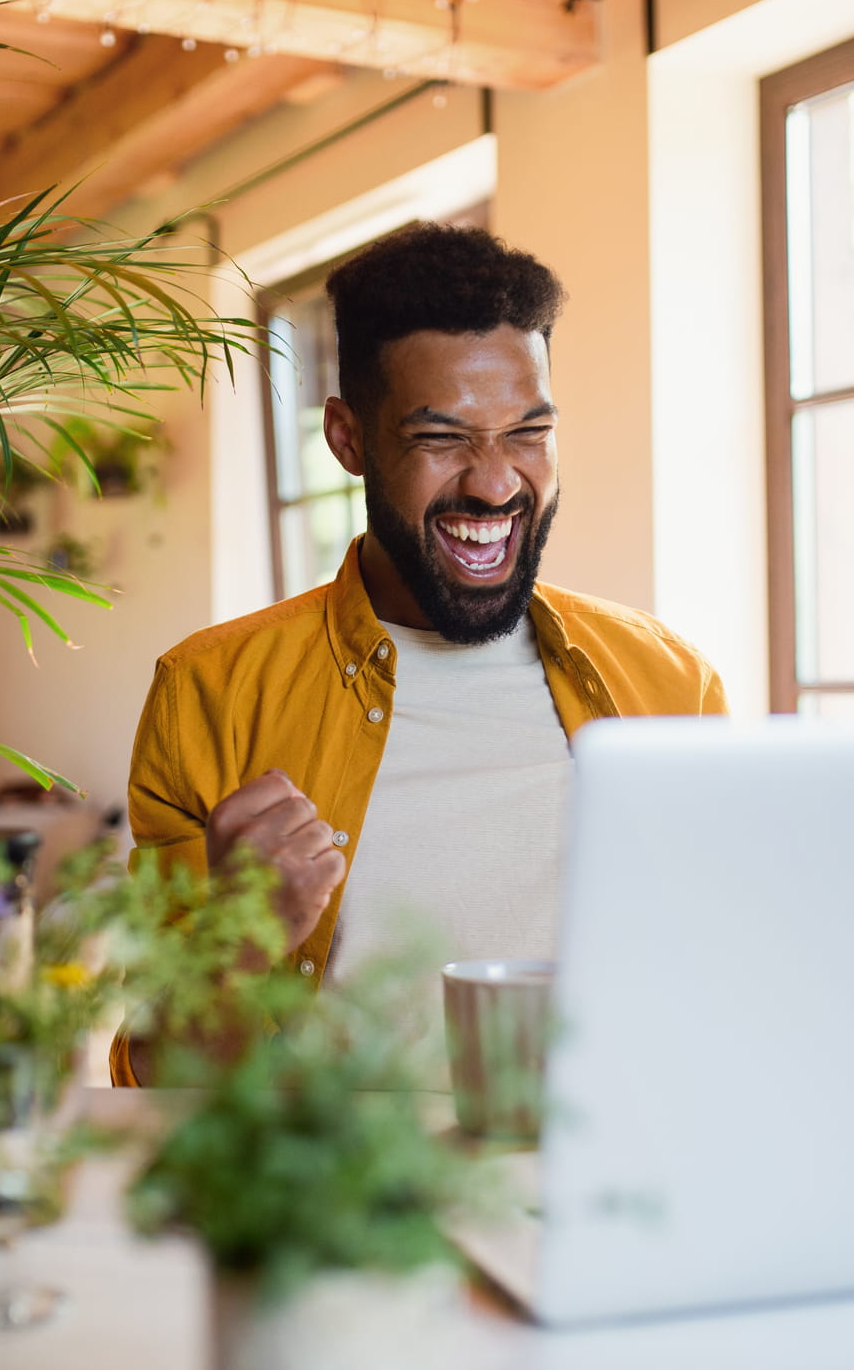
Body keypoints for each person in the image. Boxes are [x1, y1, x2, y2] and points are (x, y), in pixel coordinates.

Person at [113, 222, 725, 1085]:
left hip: (609, 1192)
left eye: (527, 432)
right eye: (441, 438)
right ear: (348, 438)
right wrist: (237, 946)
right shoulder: (207, 694)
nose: (494, 481)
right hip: (339, 1207)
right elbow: (156, 1081)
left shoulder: (671, 682)